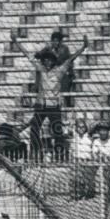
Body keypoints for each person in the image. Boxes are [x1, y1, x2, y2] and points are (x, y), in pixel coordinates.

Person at [11, 31, 88, 159]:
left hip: (54, 105)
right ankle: (35, 153)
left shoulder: (59, 71)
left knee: (57, 131)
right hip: (41, 104)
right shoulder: (40, 69)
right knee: (34, 129)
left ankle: (59, 155)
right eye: (45, 60)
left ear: (53, 61)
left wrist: (83, 47)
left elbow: (70, 59)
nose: (47, 62)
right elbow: (27, 55)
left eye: (49, 60)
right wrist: (16, 42)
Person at [35, 31, 73, 106]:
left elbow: (60, 60)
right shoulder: (49, 47)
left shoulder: (64, 48)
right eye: (54, 40)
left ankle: (66, 101)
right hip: (52, 70)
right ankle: (37, 91)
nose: (56, 43)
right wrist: (43, 51)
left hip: (62, 70)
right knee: (39, 71)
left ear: (60, 41)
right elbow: (37, 56)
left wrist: (51, 53)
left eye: (57, 40)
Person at [70, 118, 96, 200]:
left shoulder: (89, 137)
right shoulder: (74, 138)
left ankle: (89, 193)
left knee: (88, 178)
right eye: (79, 127)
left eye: (83, 127)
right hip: (77, 159)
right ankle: (77, 193)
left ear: (85, 128)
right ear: (76, 128)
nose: (81, 129)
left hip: (87, 159)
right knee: (77, 177)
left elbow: (92, 149)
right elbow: (71, 150)